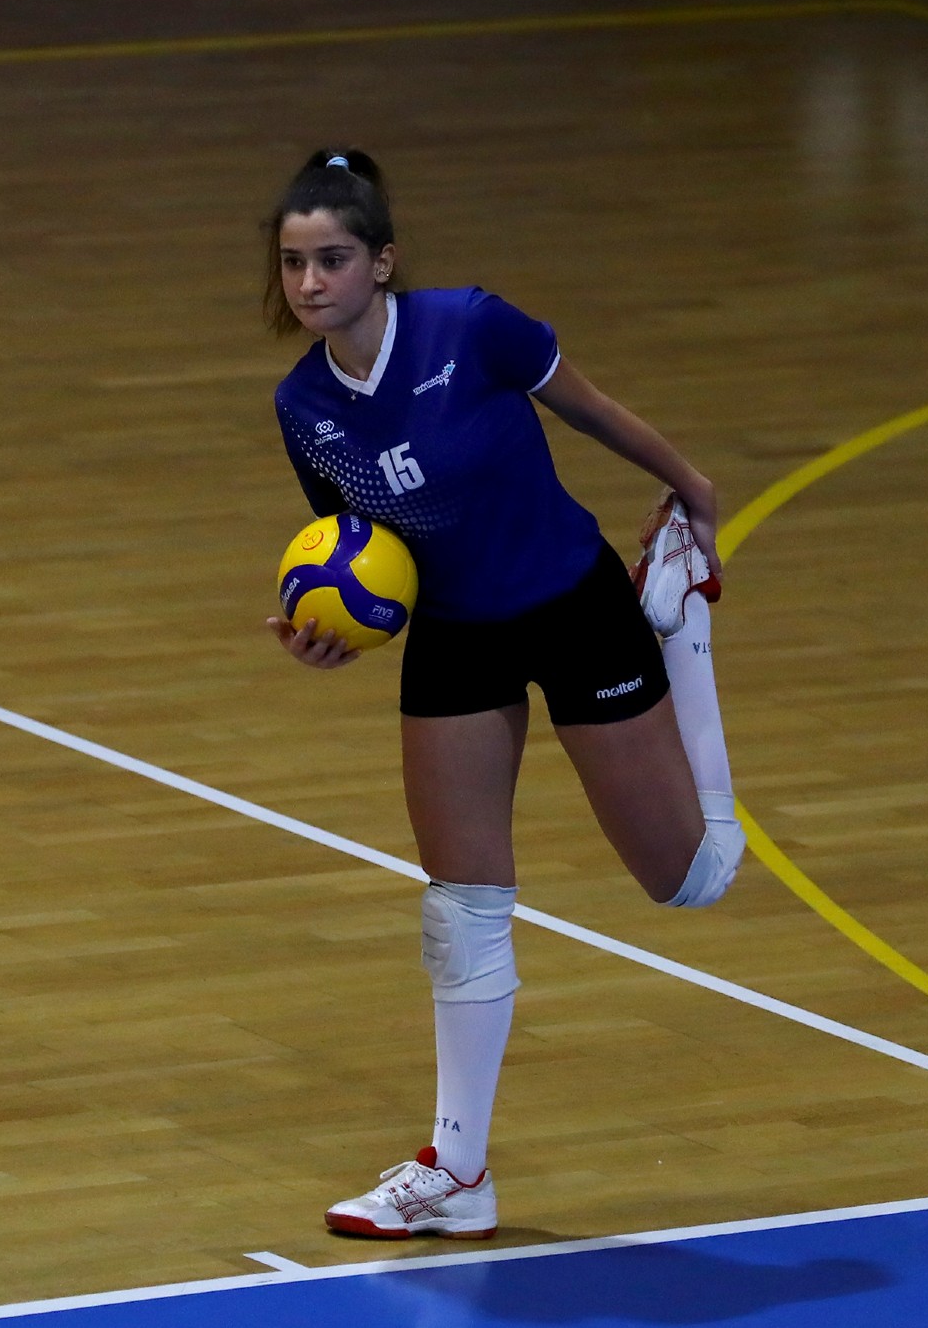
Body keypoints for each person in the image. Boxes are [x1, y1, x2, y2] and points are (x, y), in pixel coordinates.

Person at [262, 148, 745, 1240]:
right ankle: (459, 1169)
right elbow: (363, 557)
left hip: (570, 603)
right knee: (459, 906)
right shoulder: (303, 407)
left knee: (690, 879)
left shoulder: (472, 328)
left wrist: (692, 488)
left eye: (332, 259)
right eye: (293, 264)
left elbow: (590, 408)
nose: (310, 282)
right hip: (456, 633)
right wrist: (334, 638)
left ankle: (680, 622)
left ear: (382, 262)